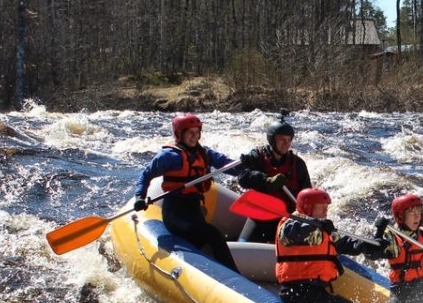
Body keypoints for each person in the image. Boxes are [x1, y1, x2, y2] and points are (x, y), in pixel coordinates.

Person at [133, 113, 239, 272]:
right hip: (175, 212)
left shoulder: (204, 153)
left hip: (193, 208)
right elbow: (146, 175)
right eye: (190, 133)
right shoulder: (169, 156)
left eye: (197, 132)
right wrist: (139, 196)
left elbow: (229, 166)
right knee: (213, 235)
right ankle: (234, 275)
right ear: (179, 134)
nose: (194, 137)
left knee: (201, 239)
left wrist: (249, 164)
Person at [276, 188, 386, 303]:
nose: (325, 211)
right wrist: (314, 224)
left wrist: (366, 245)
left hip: (318, 290)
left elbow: (346, 243)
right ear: (307, 208)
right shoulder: (290, 224)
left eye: (326, 207)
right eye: (321, 207)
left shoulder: (324, 228)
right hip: (296, 291)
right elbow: (293, 233)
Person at [236, 111, 313, 243]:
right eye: (282, 139)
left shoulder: (298, 164)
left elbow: (306, 194)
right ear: (272, 139)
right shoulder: (257, 156)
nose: (286, 143)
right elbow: (242, 179)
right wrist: (265, 180)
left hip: (284, 219)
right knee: (242, 244)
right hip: (259, 214)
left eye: (289, 139)